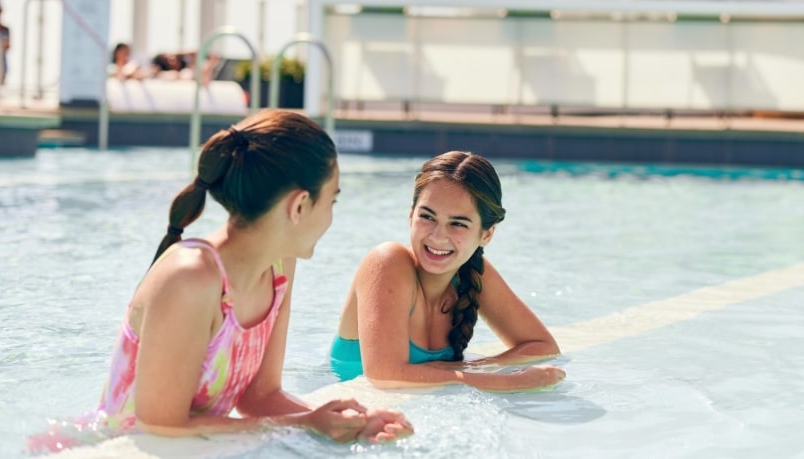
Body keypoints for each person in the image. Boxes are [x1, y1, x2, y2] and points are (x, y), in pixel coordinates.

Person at [93, 110, 412, 442]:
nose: (331, 217)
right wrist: (304, 425)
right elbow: (161, 425)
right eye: (331, 200)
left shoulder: (278, 267)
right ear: (299, 205)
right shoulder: (189, 279)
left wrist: (352, 423)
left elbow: (260, 398)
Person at [330, 151, 565, 392]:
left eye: (458, 224)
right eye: (427, 217)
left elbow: (543, 346)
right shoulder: (387, 262)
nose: (437, 236)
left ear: (486, 234)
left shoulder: (472, 273)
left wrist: (476, 367)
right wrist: (506, 380)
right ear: (411, 216)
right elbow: (384, 376)